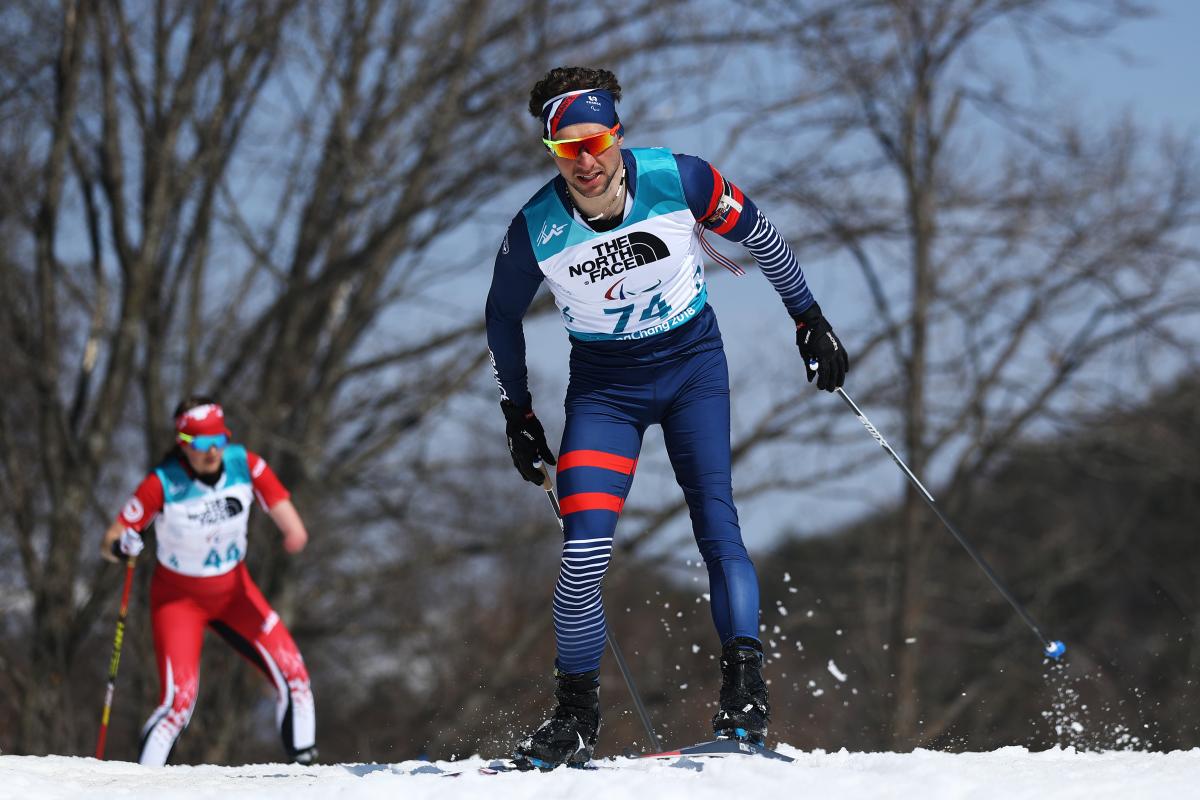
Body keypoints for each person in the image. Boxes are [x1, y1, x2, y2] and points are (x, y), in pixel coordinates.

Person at [485, 66, 849, 768]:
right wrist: (518, 414)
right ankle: (576, 716)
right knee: (584, 551)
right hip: (605, 392)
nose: (584, 162)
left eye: (593, 142)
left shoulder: (681, 180)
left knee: (716, 520)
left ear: (616, 134)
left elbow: (764, 238)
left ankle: (745, 693)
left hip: (692, 374)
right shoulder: (537, 227)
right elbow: (501, 317)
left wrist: (809, 319)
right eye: (566, 151)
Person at [101, 397, 317, 766]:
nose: (212, 451)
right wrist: (124, 546)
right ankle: (139, 786)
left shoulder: (244, 464)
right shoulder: (162, 483)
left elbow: (288, 517)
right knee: (178, 704)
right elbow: (111, 541)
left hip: (234, 593)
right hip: (179, 600)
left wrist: (293, 534)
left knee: (295, 677)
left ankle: (307, 775)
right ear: (184, 444)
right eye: (201, 444)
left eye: (218, 439)